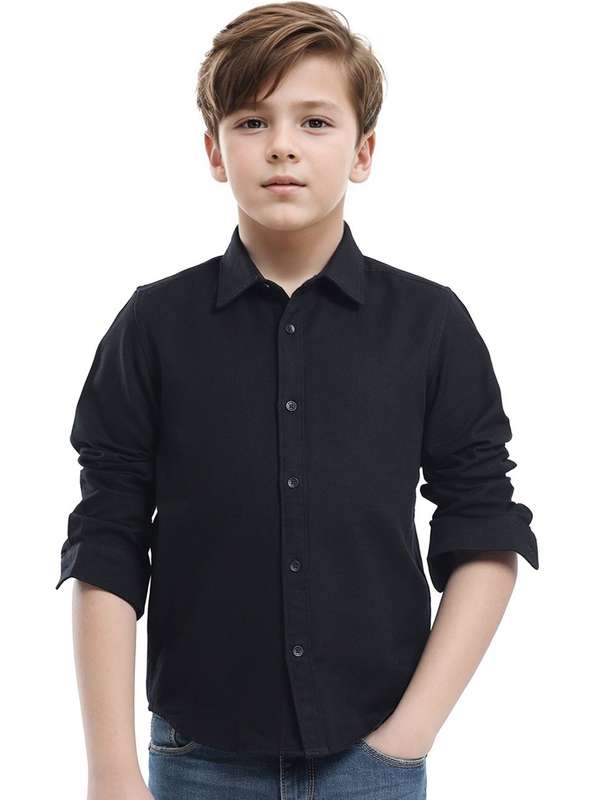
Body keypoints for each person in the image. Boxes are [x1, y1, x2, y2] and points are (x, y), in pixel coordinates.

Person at [55, 3, 540, 799]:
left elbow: (485, 523)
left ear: (363, 150)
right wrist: (111, 772)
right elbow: (107, 538)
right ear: (215, 152)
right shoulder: (153, 326)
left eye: (315, 121)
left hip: (373, 756)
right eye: (252, 121)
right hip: (197, 756)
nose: (282, 144)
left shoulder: (431, 324)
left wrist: (404, 740)